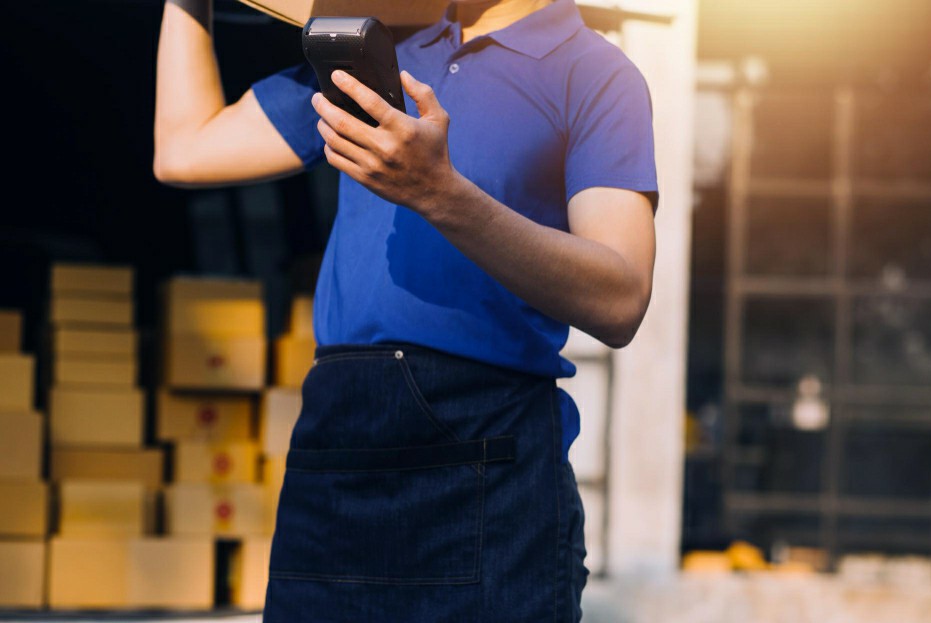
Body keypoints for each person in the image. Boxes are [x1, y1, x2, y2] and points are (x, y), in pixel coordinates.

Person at [154, 0, 657, 620]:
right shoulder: (377, 53)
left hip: (488, 453)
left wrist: (440, 193)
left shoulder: (595, 73)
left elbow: (621, 299)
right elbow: (183, 150)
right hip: (337, 442)